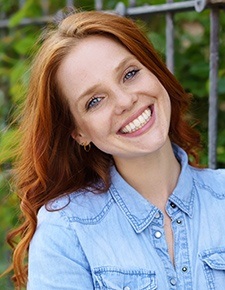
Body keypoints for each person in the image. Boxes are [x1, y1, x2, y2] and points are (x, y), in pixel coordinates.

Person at [4, 9, 225, 290]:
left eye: (130, 74)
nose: (124, 101)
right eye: (94, 101)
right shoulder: (66, 230)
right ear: (79, 132)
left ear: (155, 71)